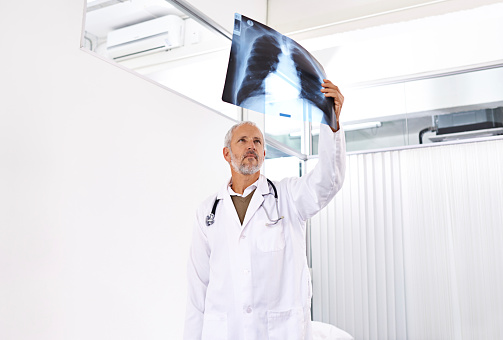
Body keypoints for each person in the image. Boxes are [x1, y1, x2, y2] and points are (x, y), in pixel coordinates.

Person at [184, 79, 346, 340]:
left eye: (258, 141)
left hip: (280, 332)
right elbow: (197, 290)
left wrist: (332, 123)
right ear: (227, 153)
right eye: (243, 140)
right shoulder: (208, 213)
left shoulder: (288, 197)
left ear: (264, 153)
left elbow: (328, 180)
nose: (251, 146)